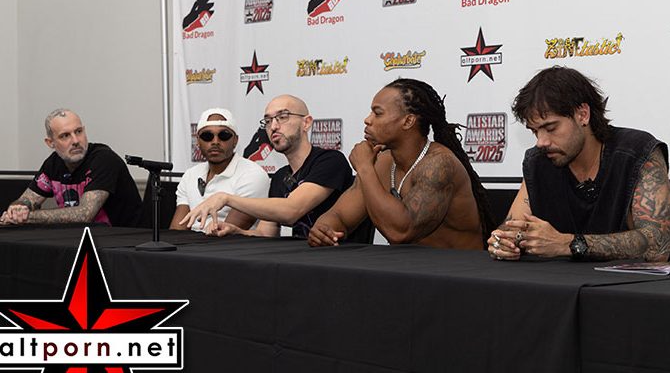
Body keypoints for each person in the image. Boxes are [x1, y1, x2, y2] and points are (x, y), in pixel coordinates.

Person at [487, 66, 670, 261]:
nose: (541, 142)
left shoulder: (636, 152)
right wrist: (503, 242)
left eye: (551, 128)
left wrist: (569, 244)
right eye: (534, 131)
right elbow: (512, 228)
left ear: (582, 114)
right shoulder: (538, 161)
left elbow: (658, 246)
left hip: (625, 281)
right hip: (556, 280)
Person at [308, 78, 495, 249]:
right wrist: (324, 230)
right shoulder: (382, 162)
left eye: (377, 113)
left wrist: (364, 168)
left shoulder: (439, 164)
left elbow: (401, 232)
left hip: (458, 270)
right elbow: (340, 216)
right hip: (408, 269)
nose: (367, 120)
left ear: (408, 121)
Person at [180, 95, 353, 238]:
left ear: (306, 123)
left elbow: (291, 210)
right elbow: (266, 233)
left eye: (283, 117)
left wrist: (226, 198)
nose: (274, 127)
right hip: (301, 259)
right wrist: (237, 231)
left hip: (338, 258)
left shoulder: (330, 161)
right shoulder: (280, 177)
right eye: (268, 121)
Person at [0, 109, 142, 226]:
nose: (75, 141)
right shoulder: (53, 164)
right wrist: (18, 208)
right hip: (82, 239)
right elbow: (28, 199)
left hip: (125, 242)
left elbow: (84, 214)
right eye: (65, 136)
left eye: (78, 131)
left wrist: (27, 217)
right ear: (50, 143)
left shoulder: (104, 159)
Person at [169, 108, 272, 233]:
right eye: (207, 136)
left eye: (224, 135)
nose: (215, 142)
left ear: (235, 140)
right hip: (190, 243)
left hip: (229, 244)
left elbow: (226, 233)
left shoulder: (253, 175)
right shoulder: (190, 175)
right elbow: (177, 231)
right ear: (198, 141)